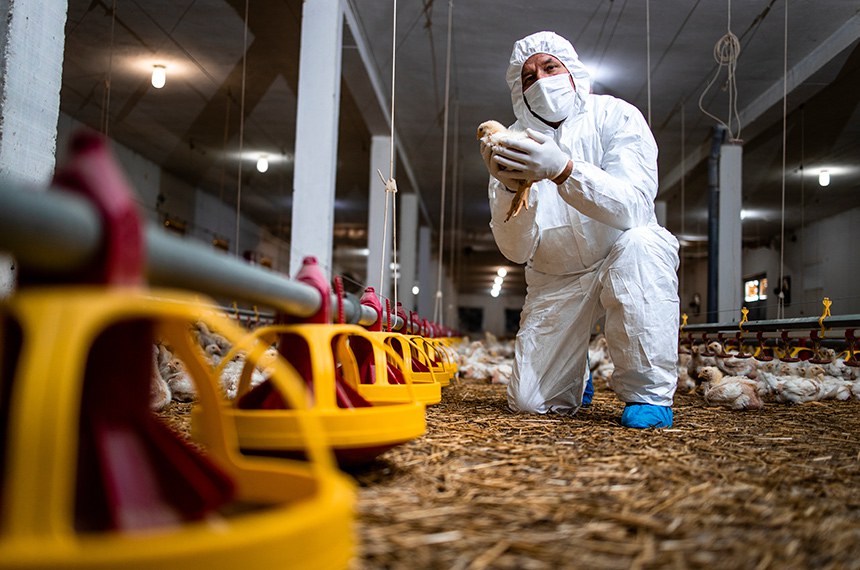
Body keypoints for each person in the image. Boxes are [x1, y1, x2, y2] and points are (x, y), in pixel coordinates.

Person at [479, 31, 680, 428]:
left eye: (549, 67)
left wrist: (564, 170)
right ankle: (576, 366)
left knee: (643, 243)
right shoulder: (511, 146)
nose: (541, 81)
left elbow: (634, 206)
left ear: (571, 71)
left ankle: (648, 393)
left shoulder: (616, 116)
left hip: (620, 253)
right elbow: (517, 250)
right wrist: (508, 189)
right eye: (529, 77)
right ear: (519, 92)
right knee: (529, 402)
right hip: (556, 276)